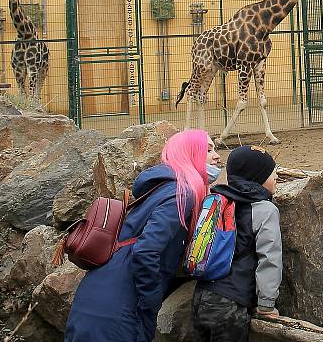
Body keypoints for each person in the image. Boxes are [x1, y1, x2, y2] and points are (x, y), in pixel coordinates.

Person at [65, 129, 220, 342]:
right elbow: (146, 250)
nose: (217, 156)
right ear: (189, 154)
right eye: (208, 150)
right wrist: (151, 299)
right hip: (119, 306)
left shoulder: (160, 189)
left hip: (97, 296)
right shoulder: (182, 193)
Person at [192, 145, 282, 342]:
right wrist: (266, 304)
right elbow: (270, 258)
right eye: (271, 171)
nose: (276, 175)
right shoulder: (265, 209)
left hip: (202, 296)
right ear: (256, 176)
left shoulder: (220, 200)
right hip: (232, 302)